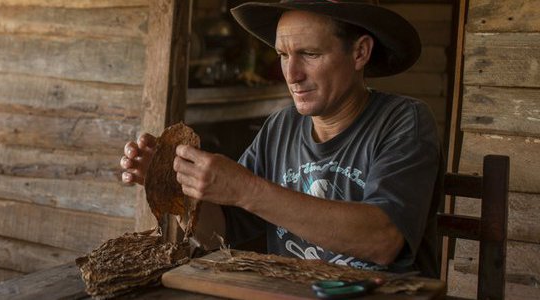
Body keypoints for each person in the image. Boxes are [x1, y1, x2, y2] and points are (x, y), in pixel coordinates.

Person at [120, 0, 442, 277]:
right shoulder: (280, 127)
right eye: (284, 55)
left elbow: (383, 239)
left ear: (360, 52)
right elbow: (221, 231)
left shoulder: (404, 122)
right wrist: (177, 188)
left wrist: (246, 188)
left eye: (309, 54)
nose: (291, 74)